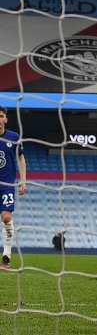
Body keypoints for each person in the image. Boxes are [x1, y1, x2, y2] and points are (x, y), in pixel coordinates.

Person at [0, 106, 27, 270]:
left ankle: (6, 256)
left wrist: (23, 181)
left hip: (7, 185)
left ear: (5, 119)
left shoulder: (14, 137)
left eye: (1, 116)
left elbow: (21, 159)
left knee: (7, 218)